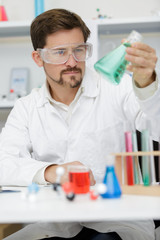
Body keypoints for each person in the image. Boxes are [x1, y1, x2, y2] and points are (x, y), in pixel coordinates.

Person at [0, 8, 159, 240]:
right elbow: (4, 163)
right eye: (60, 52)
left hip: (116, 219)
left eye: (79, 50)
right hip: (54, 221)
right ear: (38, 58)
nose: (72, 62)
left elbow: (156, 126)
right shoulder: (27, 107)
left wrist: (147, 87)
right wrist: (54, 172)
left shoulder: (118, 87)